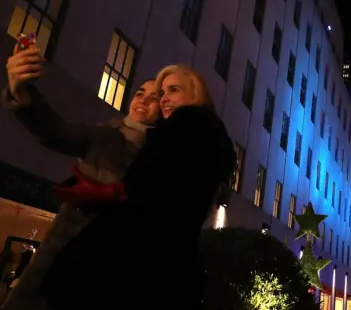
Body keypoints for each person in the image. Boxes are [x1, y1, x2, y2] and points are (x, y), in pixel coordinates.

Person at [42, 64, 236, 310]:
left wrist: (108, 193)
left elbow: (156, 188)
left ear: (195, 93)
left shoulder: (189, 122)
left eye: (173, 90)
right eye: (162, 93)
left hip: (137, 261)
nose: (164, 98)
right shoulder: (202, 133)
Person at [1, 43, 160, 310]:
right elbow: (57, 131)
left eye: (154, 97)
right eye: (140, 92)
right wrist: (21, 92)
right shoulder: (106, 136)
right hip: (61, 264)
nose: (143, 99)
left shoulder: (162, 160)